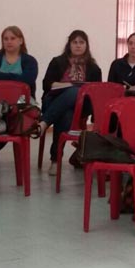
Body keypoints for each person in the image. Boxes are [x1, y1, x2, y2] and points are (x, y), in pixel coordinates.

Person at [38, 30, 102, 176]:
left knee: (67, 112)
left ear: (86, 45)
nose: (78, 45)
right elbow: (47, 85)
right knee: (72, 93)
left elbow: (96, 92)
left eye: (81, 42)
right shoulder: (57, 62)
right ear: (69, 44)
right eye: (74, 42)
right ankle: (55, 159)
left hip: (81, 107)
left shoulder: (94, 68)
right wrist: (68, 86)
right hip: (54, 100)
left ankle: (54, 154)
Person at [0, 26, 38, 98]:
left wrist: (0, 77)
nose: (9, 42)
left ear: (21, 41)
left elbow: (27, 79)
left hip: (22, 100)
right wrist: (15, 77)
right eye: (6, 39)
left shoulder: (30, 61)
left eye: (13, 38)